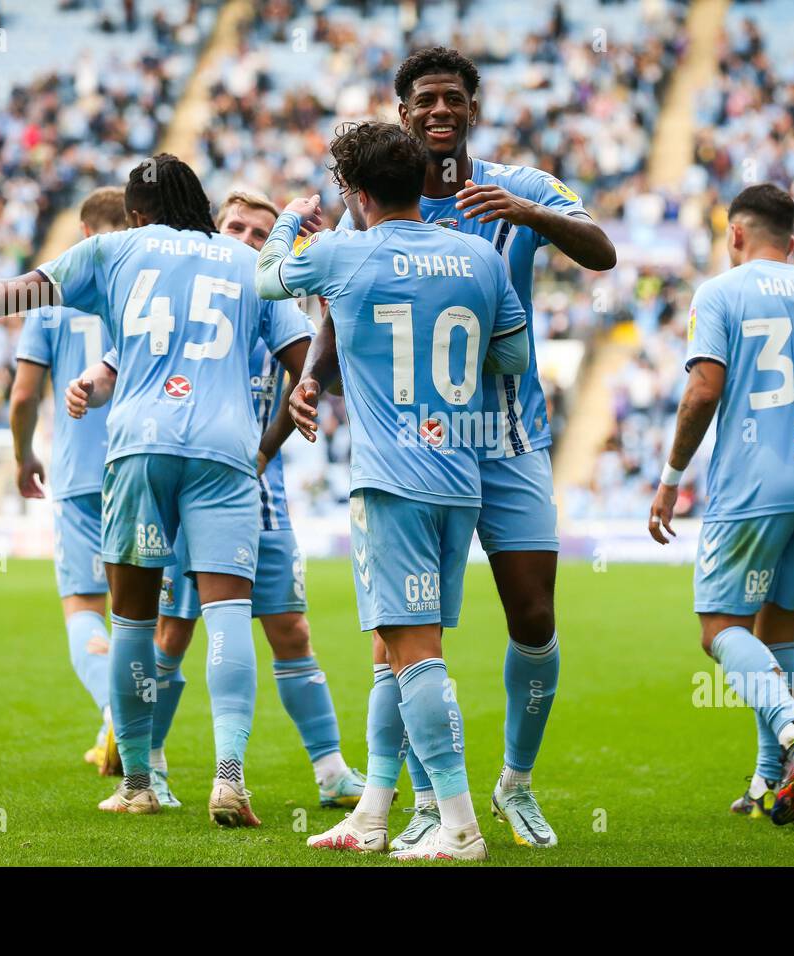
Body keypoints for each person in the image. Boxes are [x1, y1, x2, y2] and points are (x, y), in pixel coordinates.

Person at [0, 153, 308, 827]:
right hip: (223, 451)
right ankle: (229, 777)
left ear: (134, 214)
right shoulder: (248, 264)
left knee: (128, 618)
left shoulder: (115, 250)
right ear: (201, 205)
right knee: (228, 615)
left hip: (139, 446)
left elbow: (14, 293)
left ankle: (138, 782)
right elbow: (304, 366)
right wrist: (291, 418)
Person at [326, 46, 617, 850]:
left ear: (472, 109)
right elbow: (343, 299)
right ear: (404, 111)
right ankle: (421, 802)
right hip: (419, 446)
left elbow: (601, 248)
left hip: (507, 436)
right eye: (424, 99)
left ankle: (515, 784)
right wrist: (312, 380)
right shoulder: (380, 197)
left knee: (533, 615)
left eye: (453, 97)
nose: (439, 111)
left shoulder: (516, 187)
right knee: (405, 636)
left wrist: (531, 219)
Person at [258, 122, 530, 860]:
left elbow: (264, 279)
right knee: (390, 650)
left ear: (359, 193)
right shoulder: (478, 255)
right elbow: (514, 354)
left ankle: (461, 825)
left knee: (413, 653)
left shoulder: (345, 251)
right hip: (460, 477)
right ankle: (373, 815)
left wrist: (289, 220)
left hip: (392, 481)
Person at [68, 188, 365, 810]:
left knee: (290, 626)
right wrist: (89, 385)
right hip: (196, 480)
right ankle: (145, 761)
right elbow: (114, 364)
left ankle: (332, 768)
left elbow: (311, 378)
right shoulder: (192, 299)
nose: (250, 242)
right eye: (238, 228)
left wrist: (263, 453)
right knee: (172, 630)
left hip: (262, 493)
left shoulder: (275, 306)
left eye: (263, 235)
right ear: (214, 228)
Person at [647, 183, 794, 826]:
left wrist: (670, 477)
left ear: (735, 235)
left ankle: (793, 730)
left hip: (752, 484)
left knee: (719, 630)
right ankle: (768, 781)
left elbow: (703, 391)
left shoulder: (721, 292)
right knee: (777, 635)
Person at [9, 186, 125, 775]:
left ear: (83, 236)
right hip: (142, 464)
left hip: (80, 474)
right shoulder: (144, 287)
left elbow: (26, 393)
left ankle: (114, 712)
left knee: (84, 604)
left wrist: (23, 454)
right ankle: (134, 735)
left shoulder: (50, 304)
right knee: (143, 613)